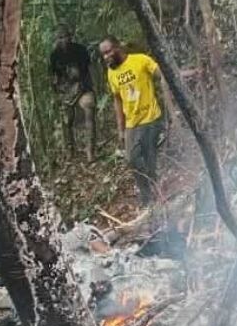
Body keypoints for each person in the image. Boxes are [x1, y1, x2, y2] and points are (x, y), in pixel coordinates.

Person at [99, 36, 168, 206]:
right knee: (132, 159)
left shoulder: (140, 60)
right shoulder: (111, 72)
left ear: (117, 48)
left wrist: (184, 75)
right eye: (103, 54)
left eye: (108, 52)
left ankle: (156, 195)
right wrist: (121, 129)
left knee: (149, 158)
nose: (105, 57)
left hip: (150, 118)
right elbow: (117, 100)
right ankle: (147, 197)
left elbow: (163, 74)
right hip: (131, 123)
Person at [49, 27, 97, 162]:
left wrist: (92, 87)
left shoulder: (80, 50)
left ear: (70, 37)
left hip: (83, 87)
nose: (63, 40)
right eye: (59, 38)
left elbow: (89, 69)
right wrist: (57, 94)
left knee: (89, 109)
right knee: (67, 121)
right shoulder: (54, 55)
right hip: (66, 91)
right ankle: (70, 151)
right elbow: (54, 77)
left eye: (65, 36)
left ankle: (90, 151)